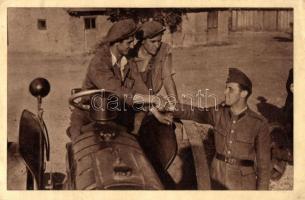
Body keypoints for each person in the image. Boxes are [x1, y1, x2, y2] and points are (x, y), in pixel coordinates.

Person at [170, 68, 270, 190]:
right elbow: (194, 112)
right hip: (217, 177)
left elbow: (263, 167)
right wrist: (169, 106)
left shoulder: (258, 124)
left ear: (243, 93)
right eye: (226, 87)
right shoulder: (218, 113)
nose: (225, 92)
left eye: (231, 89)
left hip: (243, 184)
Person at [68, 19, 167, 141]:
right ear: (117, 43)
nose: (132, 46)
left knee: (133, 143)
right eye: (128, 43)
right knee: (79, 148)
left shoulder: (128, 60)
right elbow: (118, 91)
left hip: (113, 113)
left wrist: (156, 113)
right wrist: (154, 99)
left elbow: (139, 85)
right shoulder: (99, 62)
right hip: (88, 113)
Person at [127, 20, 179, 188]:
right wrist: (154, 110)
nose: (157, 45)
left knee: (167, 137)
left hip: (153, 104)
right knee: (135, 136)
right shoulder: (130, 57)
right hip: (135, 105)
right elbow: (135, 91)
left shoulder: (163, 51)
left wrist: (173, 104)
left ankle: (160, 172)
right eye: (153, 42)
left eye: (159, 40)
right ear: (143, 41)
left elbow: (167, 79)